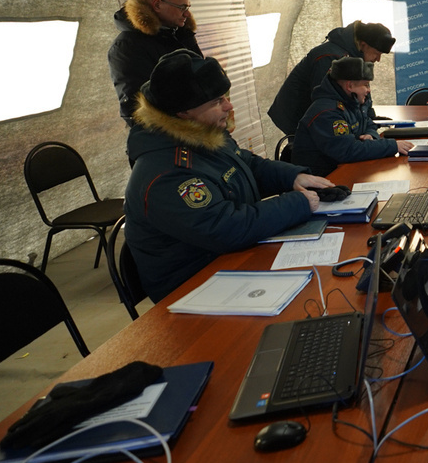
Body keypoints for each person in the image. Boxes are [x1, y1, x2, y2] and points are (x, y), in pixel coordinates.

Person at [125, 49, 334, 302]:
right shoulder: (165, 174)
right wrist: (298, 203)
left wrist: (293, 178)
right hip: (193, 288)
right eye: (216, 102)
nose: (228, 106)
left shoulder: (202, 133)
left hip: (231, 259)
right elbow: (226, 228)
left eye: (225, 96)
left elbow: (244, 163)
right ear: (183, 113)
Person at [290, 56, 414, 176]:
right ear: (350, 86)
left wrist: (371, 135)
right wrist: (393, 146)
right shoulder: (327, 112)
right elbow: (348, 150)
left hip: (344, 170)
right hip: (322, 182)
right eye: (365, 85)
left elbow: (369, 123)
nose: (368, 90)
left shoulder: (350, 101)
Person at [268, 20, 395, 135]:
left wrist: (370, 120)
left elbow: (362, 93)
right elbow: (324, 99)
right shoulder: (330, 58)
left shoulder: (355, 57)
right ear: (363, 45)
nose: (378, 59)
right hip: (299, 116)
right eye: (377, 54)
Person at [108, 0, 203, 126]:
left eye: (188, 8)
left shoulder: (179, 34)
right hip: (174, 135)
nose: (187, 14)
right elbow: (137, 107)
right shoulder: (127, 46)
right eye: (182, 7)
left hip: (199, 124)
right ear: (158, 4)